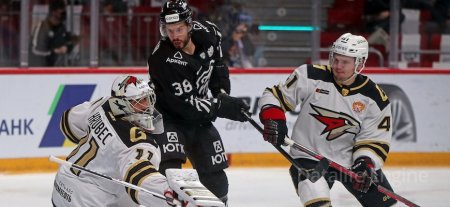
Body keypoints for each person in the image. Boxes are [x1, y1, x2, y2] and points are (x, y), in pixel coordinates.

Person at [257, 33, 397, 207]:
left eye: (345, 62)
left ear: (359, 63)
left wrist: (365, 164)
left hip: (351, 162)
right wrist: (274, 120)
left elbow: (374, 139)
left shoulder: (375, 97)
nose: (337, 66)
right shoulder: (310, 75)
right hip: (309, 158)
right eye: (335, 59)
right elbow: (274, 96)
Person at [147, 0, 250, 204]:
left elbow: (218, 65)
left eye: (179, 29)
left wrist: (221, 93)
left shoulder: (210, 34)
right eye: (170, 30)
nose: (174, 36)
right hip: (169, 119)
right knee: (170, 174)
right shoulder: (162, 59)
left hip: (200, 120)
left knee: (217, 182)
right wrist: (220, 107)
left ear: (189, 25)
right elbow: (184, 106)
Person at [51, 75, 175, 207]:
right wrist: (168, 191)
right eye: (138, 101)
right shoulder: (136, 142)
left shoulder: (104, 104)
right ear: (121, 104)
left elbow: (68, 121)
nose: (147, 105)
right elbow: (139, 177)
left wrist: (102, 146)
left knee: (125, 193)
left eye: (147, 98)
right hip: (86, 199)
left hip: (63, 180)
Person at [29, 0, 80, 66]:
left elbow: (64, 43)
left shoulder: (60, 27)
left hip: (55, 69)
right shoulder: (43, 28)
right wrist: (54, 51)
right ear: (53, 12)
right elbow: (35, 51)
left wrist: (70, 44)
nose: (63, 15)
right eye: (61, 13)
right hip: (40, 69)